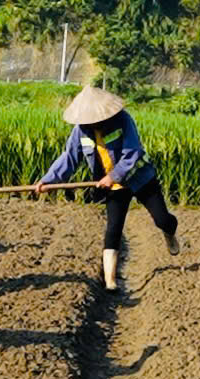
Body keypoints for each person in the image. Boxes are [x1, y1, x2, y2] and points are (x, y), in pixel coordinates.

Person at [33, 87, 180, 292]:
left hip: (140, 178)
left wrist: (112, 176)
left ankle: (169, 231)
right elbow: (69, 158)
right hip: (114, 186)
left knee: (162, 219)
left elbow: (132, 153)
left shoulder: (123, 121)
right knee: (113, 229)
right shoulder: (80, 131)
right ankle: (110, 281)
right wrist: (48, 180)